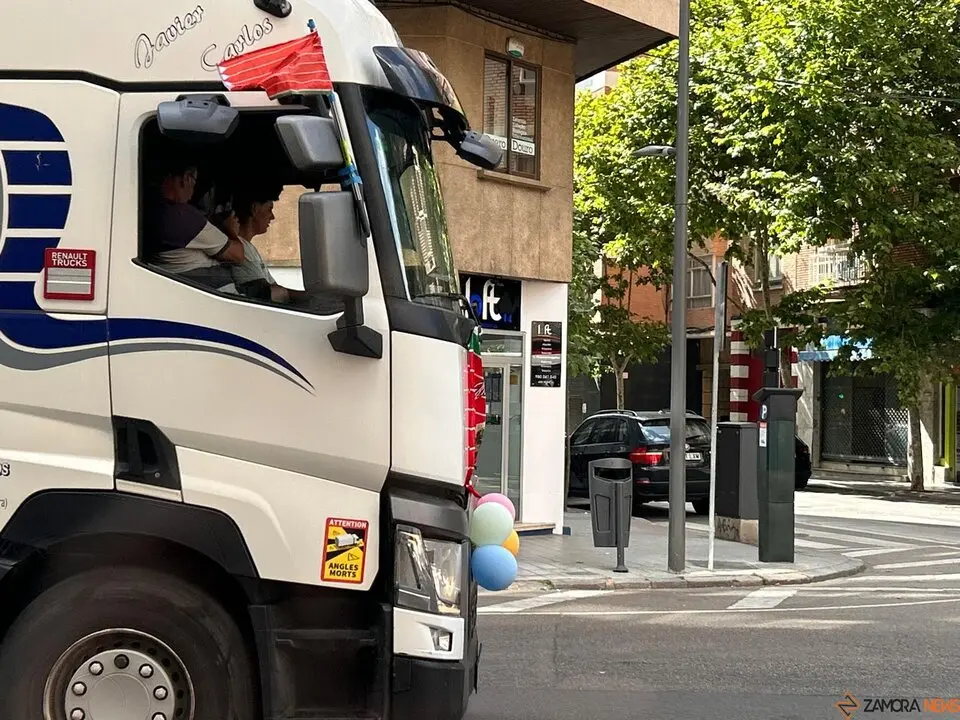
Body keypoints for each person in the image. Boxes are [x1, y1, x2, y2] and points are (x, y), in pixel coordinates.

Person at [144, 155, 246, 293]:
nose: (192, 193)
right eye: (194, 181)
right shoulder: (180, 215)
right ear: (186, 178)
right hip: (218, 296)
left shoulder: (149, 210)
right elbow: (238, 255)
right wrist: (230, 229)